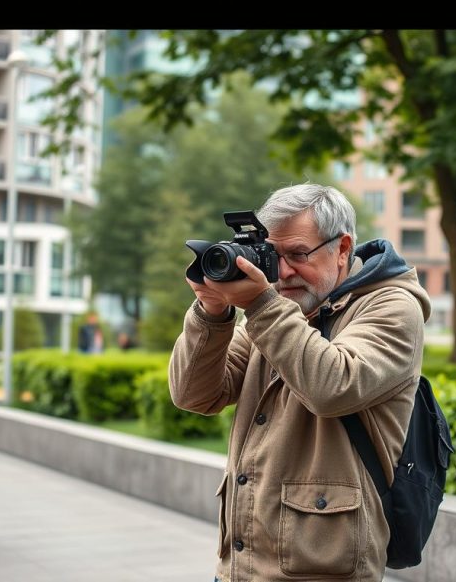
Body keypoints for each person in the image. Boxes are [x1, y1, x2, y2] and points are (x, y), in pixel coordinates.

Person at [169, 183, 430, 581]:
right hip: (240, 566)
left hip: (323, 570)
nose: (284, 271)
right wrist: (212, 310)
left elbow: (334, 386)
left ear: (342, 248)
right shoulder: (276, 310)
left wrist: (260, 304)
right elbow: (195, 394)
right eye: (273, 256)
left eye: (297, 254)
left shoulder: (392, 306)